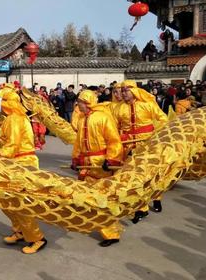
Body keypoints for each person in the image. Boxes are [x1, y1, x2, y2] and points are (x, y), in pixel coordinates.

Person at [71, 90, 123, 247]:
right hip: (87, 165)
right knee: (88, 196)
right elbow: (78, 143)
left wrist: (111, 159)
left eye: (79, 101)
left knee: (103, 199)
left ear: (86, 102)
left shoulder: (103, 118)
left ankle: (111, 233)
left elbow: (114, 141)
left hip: (101, 164)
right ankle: (92, 222)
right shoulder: (81, 120)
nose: (77, 104)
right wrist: (75, 159)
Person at [0, 90, 47, 254]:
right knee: (6, 202)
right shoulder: (14, 118)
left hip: (22, 164)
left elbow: (12, 144)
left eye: (2, 101)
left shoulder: (14, 119)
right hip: (16, 163)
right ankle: (20, 230)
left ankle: (37, 238)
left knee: (20, 204)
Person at [114, 80, 168, 223]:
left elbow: (163, 120)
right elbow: (114, 127)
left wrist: (154, 136)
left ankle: (156, 197)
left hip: (147, 146)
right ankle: (141, 208)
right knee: (133, 177)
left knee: (153, 174)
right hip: (128, 147)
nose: (123, 93)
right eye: (122, 90)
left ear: (134, 91)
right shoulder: (119, 108)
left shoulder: (147, 105)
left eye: (126, 90)